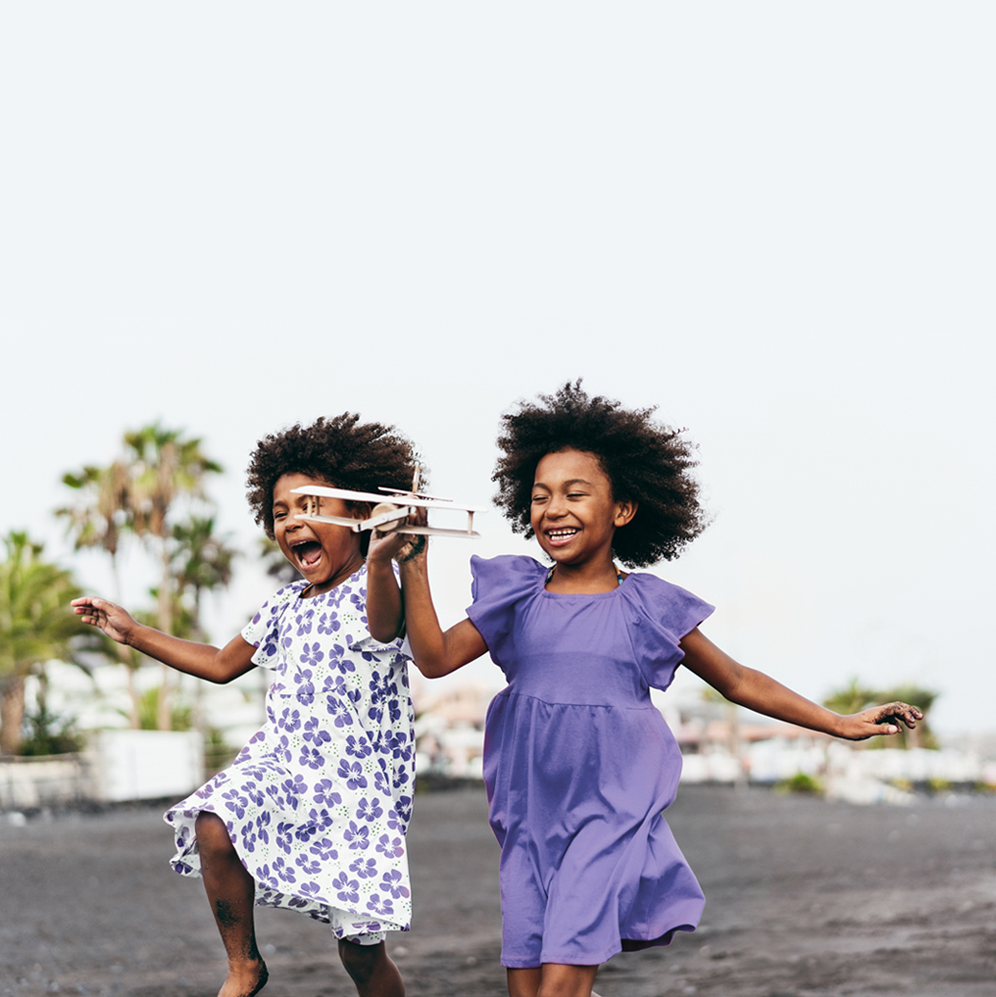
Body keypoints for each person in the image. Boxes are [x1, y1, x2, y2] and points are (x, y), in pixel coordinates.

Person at [369, 382, 923, 997]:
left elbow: (739, 680)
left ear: (623, 510)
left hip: (610, 812)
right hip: (527, 816)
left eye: (575, 493)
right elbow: (435, 658)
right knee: (525, 985)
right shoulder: (517, 593)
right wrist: (412, 561)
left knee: (560, 984)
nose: (553, 509)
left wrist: (840, 722)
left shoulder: (647, 606)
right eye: (540, 496)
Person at [72, 415, 425, 997]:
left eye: (311, 505)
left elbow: (384, 626)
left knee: (361, 955)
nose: (292, 522)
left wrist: (383, 556)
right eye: (280, 512)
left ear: (360, 514)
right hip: (285, 766)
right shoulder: (284, 604)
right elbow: (219, 664)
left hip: (357, 793)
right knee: (214, 820)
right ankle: (244, 966)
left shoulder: (375, 586)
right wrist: (133, 632)